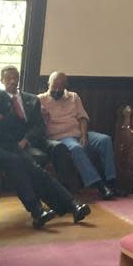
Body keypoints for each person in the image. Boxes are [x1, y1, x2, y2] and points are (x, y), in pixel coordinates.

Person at [0, 59, 91, 228]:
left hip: (1, 141)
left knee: (32, 166)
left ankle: (71, 205)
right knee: (14, 161)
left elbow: (9, 122)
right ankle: (37, 209)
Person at [39, 72, 118, 200]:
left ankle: (112, 182)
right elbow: (37, 124)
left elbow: (82, 118)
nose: (58, 89)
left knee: (105, 140)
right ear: (48, 84)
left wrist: (84, 135)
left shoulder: (73, 97)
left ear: (66, 86)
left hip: (78, 132)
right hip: (59, 136)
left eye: (61, 86)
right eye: (55, 86)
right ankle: (99, 185)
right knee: (76, 148)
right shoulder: (40, 99)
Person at [0, 65, 75, 189]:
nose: (12, 81)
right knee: (38, 156)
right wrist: (19, 142)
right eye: (8, 78)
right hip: (14, 143)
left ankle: (65, 189)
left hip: (34, 139)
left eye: (15, 78)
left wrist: (27, 139)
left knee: (59, 147)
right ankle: (39, 192)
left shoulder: (32, 99)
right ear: (2, 80)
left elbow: (39, 125)